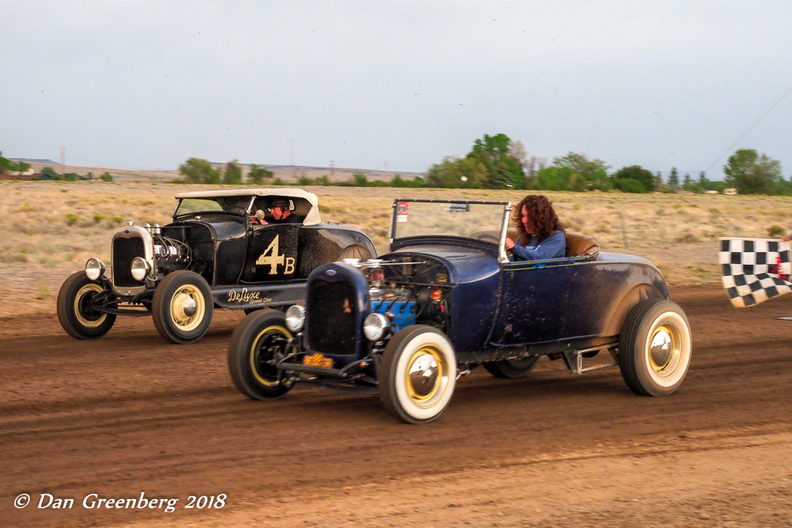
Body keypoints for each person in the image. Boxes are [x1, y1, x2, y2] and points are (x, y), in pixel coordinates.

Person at [505, 194, 566, 260]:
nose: (524, 221)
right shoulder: (523, 239)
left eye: (530, 217)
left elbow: (539, 257)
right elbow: (512, 262)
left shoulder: (556, 237)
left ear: (541, 219)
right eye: (523, 216)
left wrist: (514, 248)